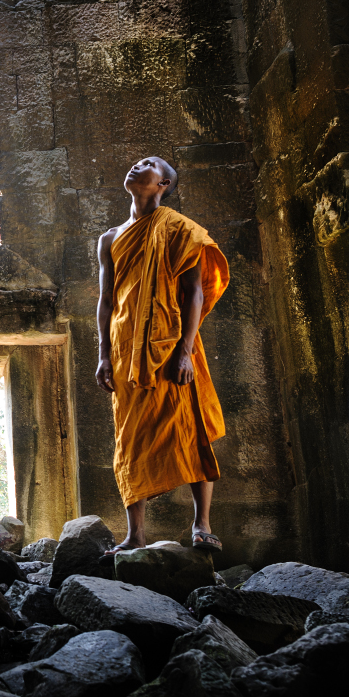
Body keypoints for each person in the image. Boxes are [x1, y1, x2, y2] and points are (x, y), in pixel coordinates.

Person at [95, 156, 230, 553]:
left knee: (191, 430)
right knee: (130, 440)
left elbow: (194, 293)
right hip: (124, 351)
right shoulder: (110, 238)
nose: (140, 166)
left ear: (164, 184)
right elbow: (106, 300)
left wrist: (186, 352)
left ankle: (201, 525)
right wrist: (104, 354)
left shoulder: (178, 229)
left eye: (150, 164)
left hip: (172, 345)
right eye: (137, 162)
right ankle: (135, 534)